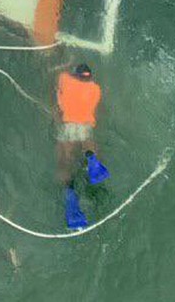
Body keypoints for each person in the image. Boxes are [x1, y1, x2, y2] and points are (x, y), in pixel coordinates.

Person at [55, 62, 109, 228]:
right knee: (88, 143)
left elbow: (58, 91)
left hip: (68, 125)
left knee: (65, 160)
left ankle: (70, 195)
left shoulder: (64, 78)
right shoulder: (95, 89)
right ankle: (91, 160)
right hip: (85, 125)